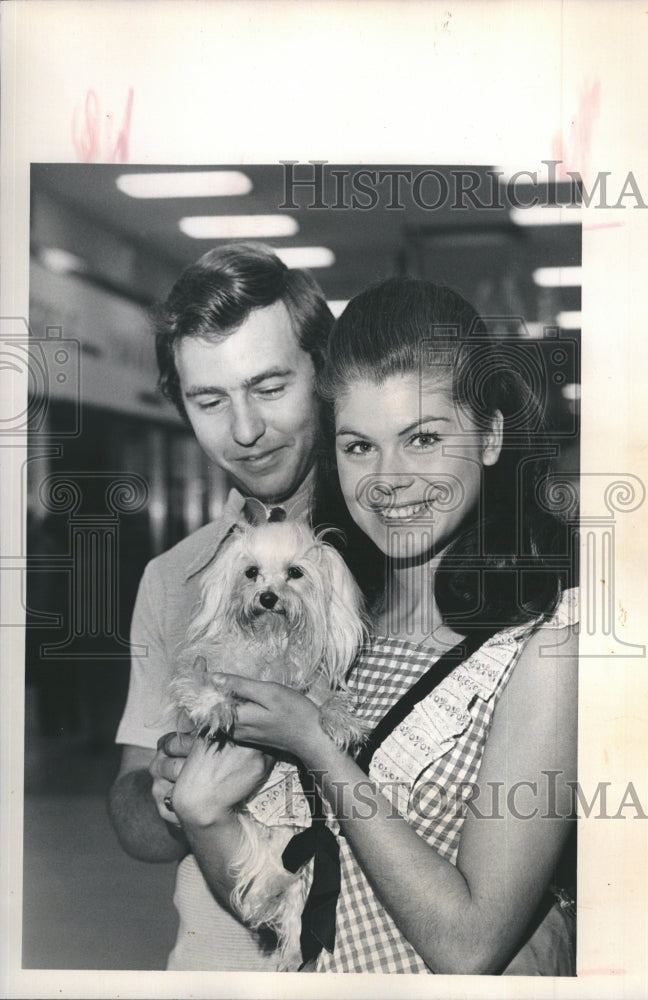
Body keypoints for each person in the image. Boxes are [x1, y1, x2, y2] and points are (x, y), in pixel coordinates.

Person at [169, 276, 579, 975]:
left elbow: (469, 944)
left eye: (421, 438)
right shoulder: (332, 630)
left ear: (489, 437)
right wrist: (204, 813)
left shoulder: (546, 643)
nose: (387, 478)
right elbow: (285, 915)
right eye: (358, 446)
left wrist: (319, 749)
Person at [108, 241, 340, 970]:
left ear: (324, 376)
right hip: (220, 964)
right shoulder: (174, 577)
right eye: (210, 400)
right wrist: (170, 789)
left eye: (269, 387)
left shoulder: (403, 557)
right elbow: (135, 820)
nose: (243, 431)